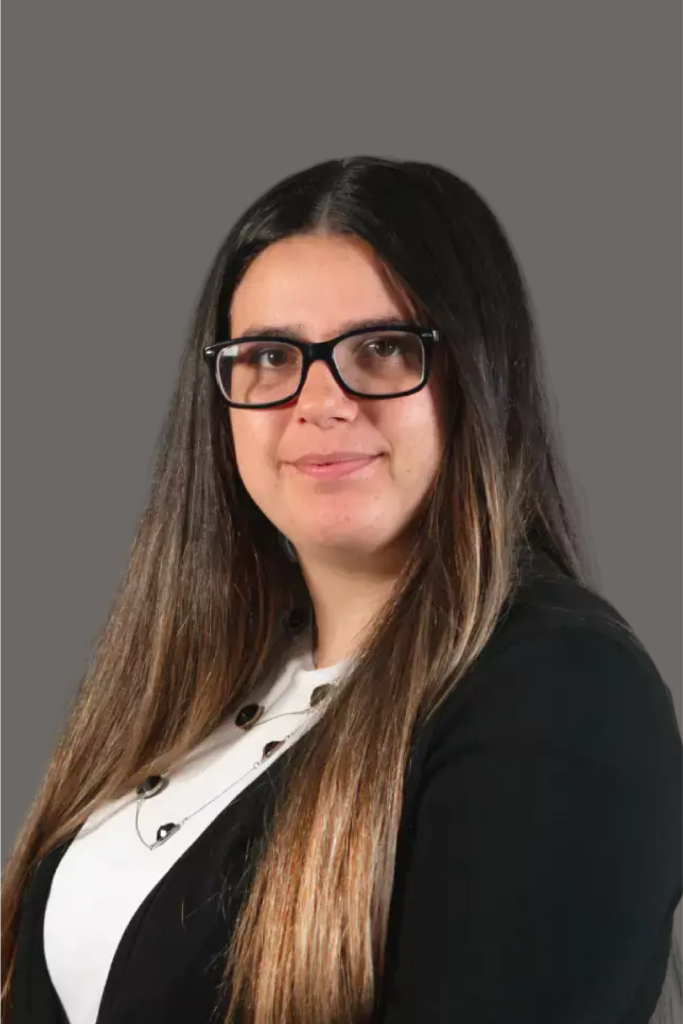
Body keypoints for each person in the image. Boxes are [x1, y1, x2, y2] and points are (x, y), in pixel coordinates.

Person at [2, 156, 682, 1024]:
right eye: (269, 356)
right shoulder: (204, 680)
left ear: (477, 377)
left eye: (383, 348)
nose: (319, 402)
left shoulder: (563, 691)